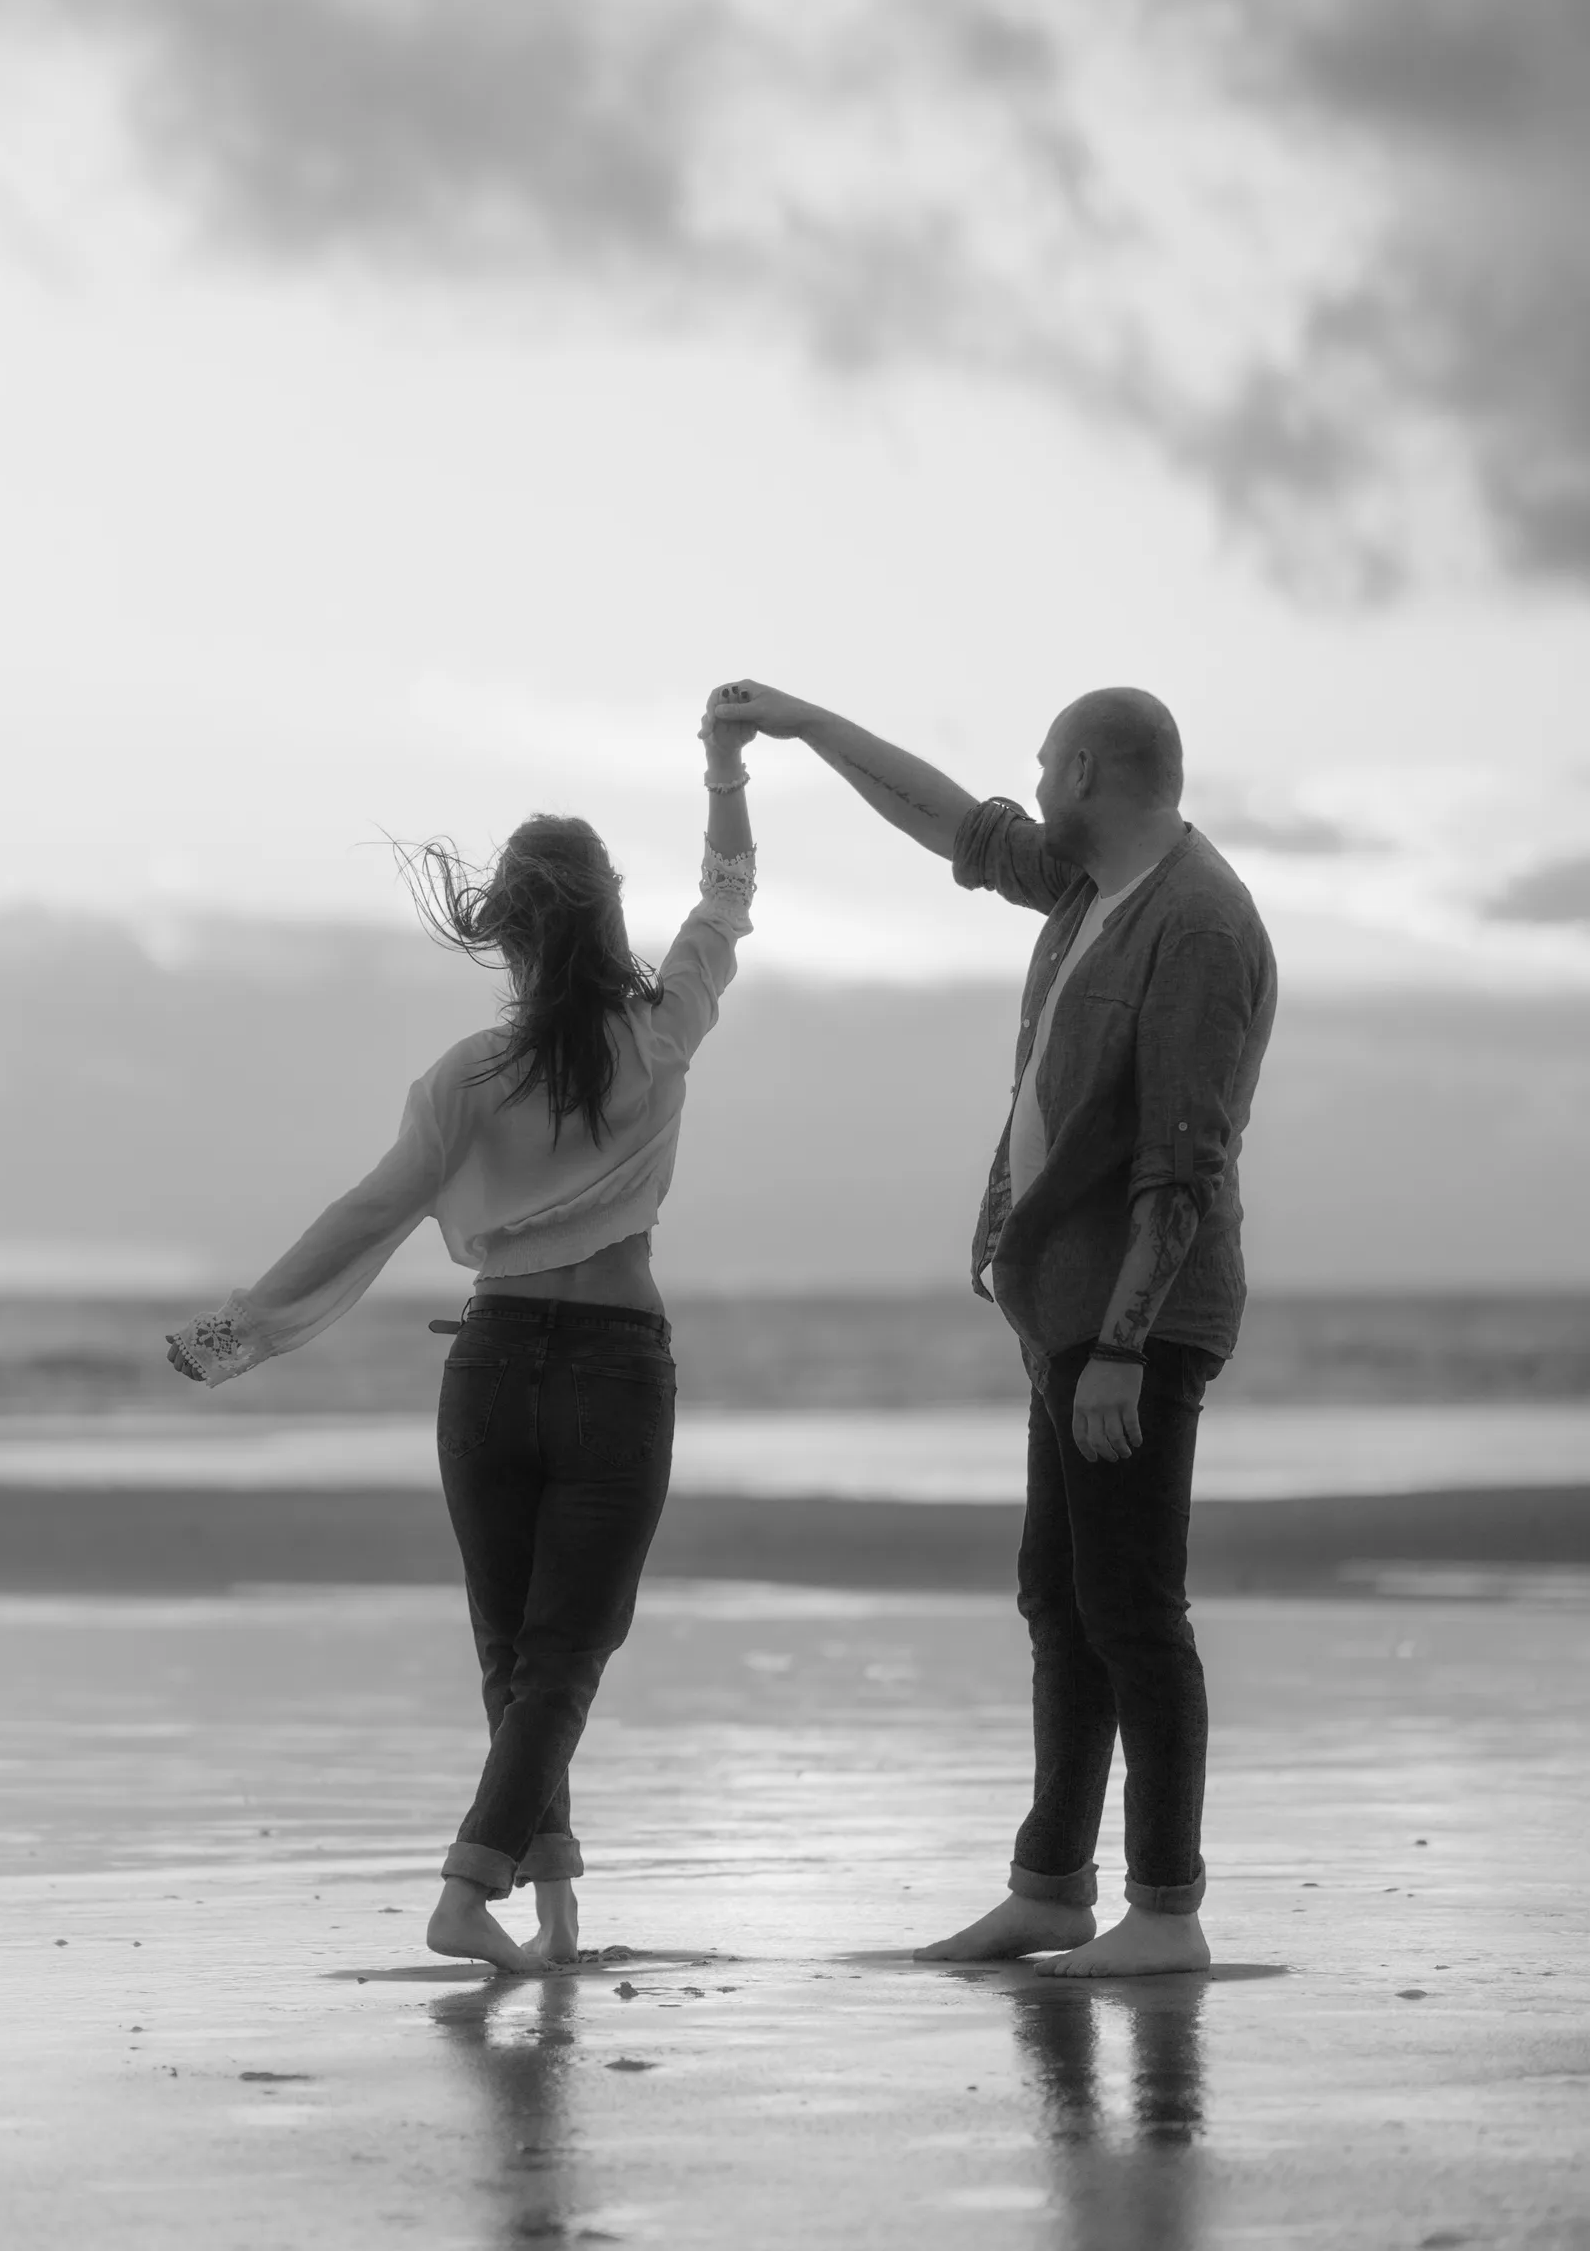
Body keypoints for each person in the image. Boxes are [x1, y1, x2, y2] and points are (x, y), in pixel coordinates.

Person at [165, 697, 757, 1975]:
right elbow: (728, 890)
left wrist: (242, 1326)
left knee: (516, 1655)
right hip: (610, 1369)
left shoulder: (464, 1078)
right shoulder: (663, 1033)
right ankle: (468, 1888)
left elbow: (368, 1212)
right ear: (606, 912)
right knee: (566, 1655)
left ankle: (550, 1913)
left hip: (485, 1371)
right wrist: (720, 767)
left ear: (510, 927)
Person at [710, 678, 1275, 1976]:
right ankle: (1053, 1888)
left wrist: (1127, 1344)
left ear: (1084, 772)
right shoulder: (1091, 890)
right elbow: (954, 826)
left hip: (1141, 1313)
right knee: (1060, 1596)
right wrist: (806, 726)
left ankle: (1169, 1909)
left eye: (1042, 763)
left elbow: (1184, 1160)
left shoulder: (1195, 922)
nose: (1028, 784)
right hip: (1067, 1305)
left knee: (1132, 1603)